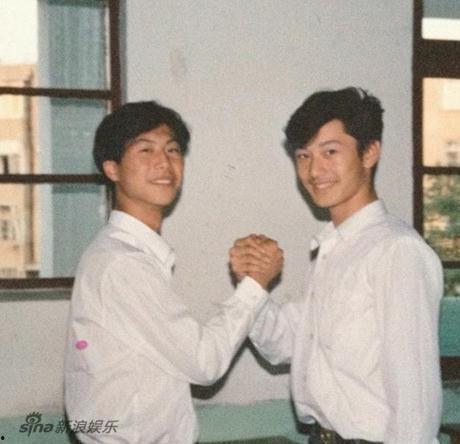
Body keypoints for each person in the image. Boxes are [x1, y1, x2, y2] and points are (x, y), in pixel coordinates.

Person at [230, 87, 443, 444]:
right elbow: (283, 345)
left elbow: (414, 403)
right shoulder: (333, 249)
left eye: (330, 151)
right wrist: (252, 283)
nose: (314, 170)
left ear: (369, 152)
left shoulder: (396, 251)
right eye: (303, 156)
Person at [64, 101, 283, 444]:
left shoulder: (130, 255)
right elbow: (204, 363)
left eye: (172, 150)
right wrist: (255, 284)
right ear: (112, 168)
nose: (164, 163)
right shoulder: (123, 264)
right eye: (145, 150)